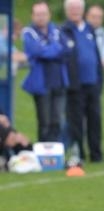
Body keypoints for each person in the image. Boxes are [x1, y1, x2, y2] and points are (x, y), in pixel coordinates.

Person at [61, 0, 104, 163]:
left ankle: (96, 154)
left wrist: (99, 79)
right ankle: (79, 154)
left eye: (78, 8)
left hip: (92, 83)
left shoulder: (89, 30)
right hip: (75, 86)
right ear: (67, 11)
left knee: (95, 120)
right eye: (72, 9)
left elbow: (96, 56)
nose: (75, 11)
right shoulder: (64, 31)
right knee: (76, 122)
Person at [21, 1, 68, 143]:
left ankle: (56, 152)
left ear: (49, 15)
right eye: (38, 14)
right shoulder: (29, 33)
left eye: (43, 14)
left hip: (58, 82)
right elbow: (35, 51)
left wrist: (46, 51)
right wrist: (53, 50)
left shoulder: (57, 31)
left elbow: (65, 50)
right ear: (32, 16)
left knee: (57, 120)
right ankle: (44, 153)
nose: (41, 17)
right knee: (44, 121)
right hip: (42, 84)